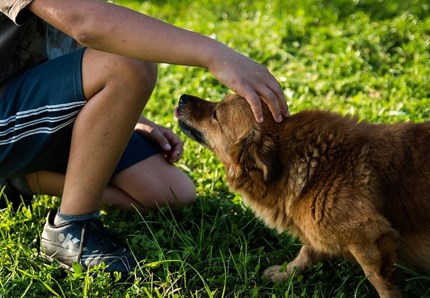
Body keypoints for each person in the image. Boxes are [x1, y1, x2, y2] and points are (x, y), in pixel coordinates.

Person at [0, 0, 288, 274]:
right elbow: (84, 22)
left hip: (34, 106)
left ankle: (22, 180)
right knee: (130, 63)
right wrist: (216, 55)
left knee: (170, 192)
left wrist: (122, 114)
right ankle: (71, 229)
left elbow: (78, 39)